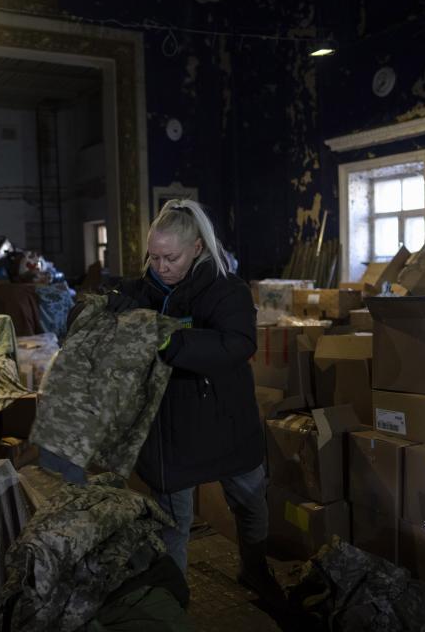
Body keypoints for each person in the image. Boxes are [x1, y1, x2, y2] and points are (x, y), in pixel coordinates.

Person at [107, 199, 283, 606]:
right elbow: (115, 299)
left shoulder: (226, 290)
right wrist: (104, 305)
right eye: (153, 256)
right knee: (173, 521)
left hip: (224, 417)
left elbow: (238, 343)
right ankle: (175, 599)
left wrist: (173, 340)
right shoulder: (144, 289)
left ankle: (254, 569)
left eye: (170, 257)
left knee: (249, 500)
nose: (160, 266)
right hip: (170, 426)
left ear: (198, 249)